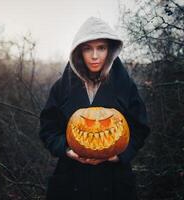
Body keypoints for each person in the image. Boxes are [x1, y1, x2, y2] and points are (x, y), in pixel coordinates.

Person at [39, 17, 150, 200]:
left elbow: (140, 128)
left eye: (101, 48)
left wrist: (119, 156)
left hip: (114, 181)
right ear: (78, 52)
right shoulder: (62, 87)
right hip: (71, 180)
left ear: (111, 50)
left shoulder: (125, 86)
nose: (95, 56)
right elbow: (47, 129)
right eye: (87, 48)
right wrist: (66, 149)